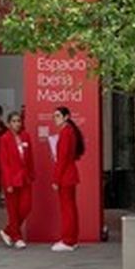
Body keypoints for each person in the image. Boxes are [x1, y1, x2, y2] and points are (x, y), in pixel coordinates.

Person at [0, 111, 35, 249]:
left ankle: (8, 231)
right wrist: (8, 183)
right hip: (11, 179)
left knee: (26, 207)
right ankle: (17, 237)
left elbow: (30, 157)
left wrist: (32, 175)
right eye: (13, 121)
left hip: (25, 178)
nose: (17, 123)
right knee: (12, 210)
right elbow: (4, 162)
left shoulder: (26, 136)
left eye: (18, 121)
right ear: (8, 123)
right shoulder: (4, 139)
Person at [50, 106, 85, 252]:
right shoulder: (69, 131)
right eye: (54, 116)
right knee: (70, 208)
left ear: (66, 117)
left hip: (65, 176)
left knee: (67, 209)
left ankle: (68, 240)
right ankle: (72, 239)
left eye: (58, 115)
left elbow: (62, 159)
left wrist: (55, 179)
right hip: (69, 174)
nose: (55, 118)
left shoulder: (66, 133)